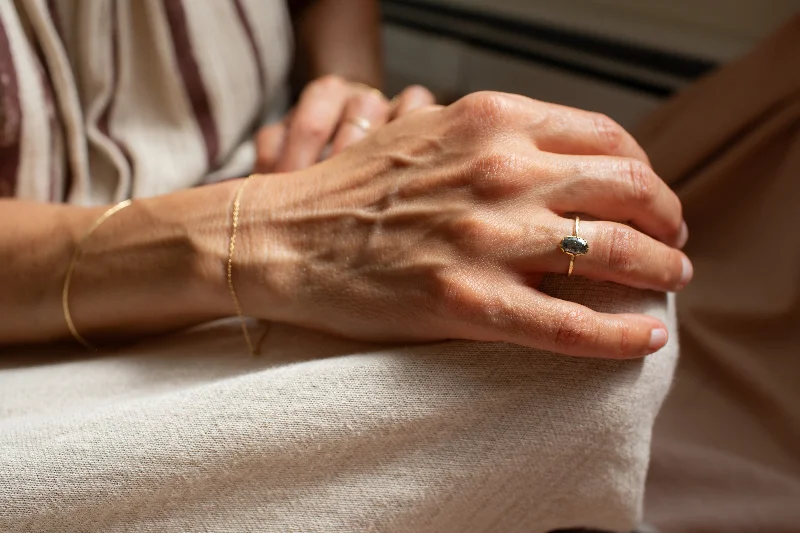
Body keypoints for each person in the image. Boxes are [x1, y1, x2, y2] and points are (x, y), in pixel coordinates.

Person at [0, 1, 696, 532]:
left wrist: (348, 111)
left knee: (603, 298)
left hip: (273, 177)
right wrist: (264, 228)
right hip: (31, 319)